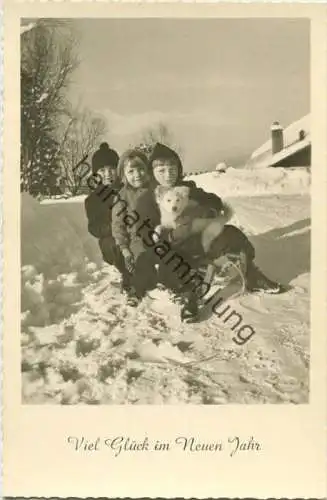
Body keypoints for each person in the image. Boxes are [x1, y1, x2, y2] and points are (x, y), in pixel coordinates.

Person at [148, 142, 286, 322]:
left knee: (232, 233)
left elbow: (214, 201)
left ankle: (251, 274)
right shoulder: (149, 196)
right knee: (169, 269)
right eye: (161, 170)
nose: (168, 174)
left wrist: (210, 210)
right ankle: (190, 295)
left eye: (172, 168)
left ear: (179, 169)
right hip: (174, 248)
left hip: (201, 243)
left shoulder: (189, 189)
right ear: (153, 173)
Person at [111, 149, 158, 306]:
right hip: (137, 240)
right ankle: (136, 290)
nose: (137, 174)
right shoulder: (122, 196)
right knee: (143, 263)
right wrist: (125, 249)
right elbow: (118, 225)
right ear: (124, 175)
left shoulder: (155, 190)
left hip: (160, 234)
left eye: (141, 169)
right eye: (131, 171)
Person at [84, 144, 129, 291]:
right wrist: (114, 228)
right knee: (113, 244)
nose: (108, 173)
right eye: (102, 170)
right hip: (112, 241)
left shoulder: (128, 190)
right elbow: (94, 228)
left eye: (111, 169)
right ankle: (127, 274)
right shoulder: (93, 199)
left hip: (133, 234)